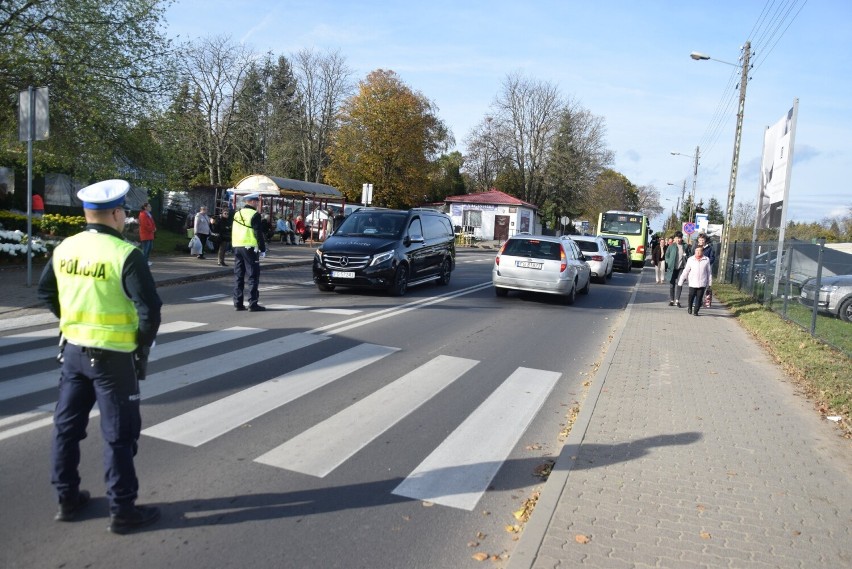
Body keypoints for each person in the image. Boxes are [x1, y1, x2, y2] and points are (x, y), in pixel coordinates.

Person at [37, 179, 162, 534]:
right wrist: (141, 345)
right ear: (118, 213)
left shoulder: (65, 248)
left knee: (66, 428)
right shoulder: (126, 254)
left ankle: (67, 499)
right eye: (124, 214)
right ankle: (123, 511)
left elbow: (47, 292)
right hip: (114, 359)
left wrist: (72, 319)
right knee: (120, 435)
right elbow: (150, 309)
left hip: (73, 352)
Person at [232, 194, 267, 312]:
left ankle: (238, 303)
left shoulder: (237, 213)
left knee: (239, 275)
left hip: (237, 246)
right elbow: (258, 232)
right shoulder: (254, 215)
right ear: (251, 202)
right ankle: (252, 303)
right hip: (250, 247)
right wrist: (262, 248)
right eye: (256, 202)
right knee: (253, 275)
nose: (257, 204)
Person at [678, 244, 713, 316]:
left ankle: (696, 311)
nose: (698, 252)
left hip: (702, 282)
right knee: (691, 296)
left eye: (699, 251)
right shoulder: (690, 259)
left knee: (699, 297)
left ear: (702, 252)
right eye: (696, 251)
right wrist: (681, 281)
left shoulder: (706, 260)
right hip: (693, 282)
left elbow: (709, 272)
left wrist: (710, 283)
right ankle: (690, 307)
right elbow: (686, 271)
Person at [664, 231, 691, 307]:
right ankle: (672, 300)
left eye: (679, 238)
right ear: (674, 238)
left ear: (681, 238)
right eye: (676, 238)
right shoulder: (671, 246)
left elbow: (689, 255)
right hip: (672, 268)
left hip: (681, 268)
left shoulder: (685, 246)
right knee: (672, 285)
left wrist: (687, 261)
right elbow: (667, 256)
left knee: (680, 283)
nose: (678, 240)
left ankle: (677, 300)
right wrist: (668, 262)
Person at [138, 202, 156, 266]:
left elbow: (152, 223)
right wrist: (152, 229)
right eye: (149, 206)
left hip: (150, 234)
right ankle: (143, 262)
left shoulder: (148, 214)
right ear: (145, 207)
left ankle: (146, 260)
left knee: (149, 248)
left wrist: (154, 228)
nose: (150, 207)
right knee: (145, 249)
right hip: (145, 234)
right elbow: (144, 225)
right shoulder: (143, 215)